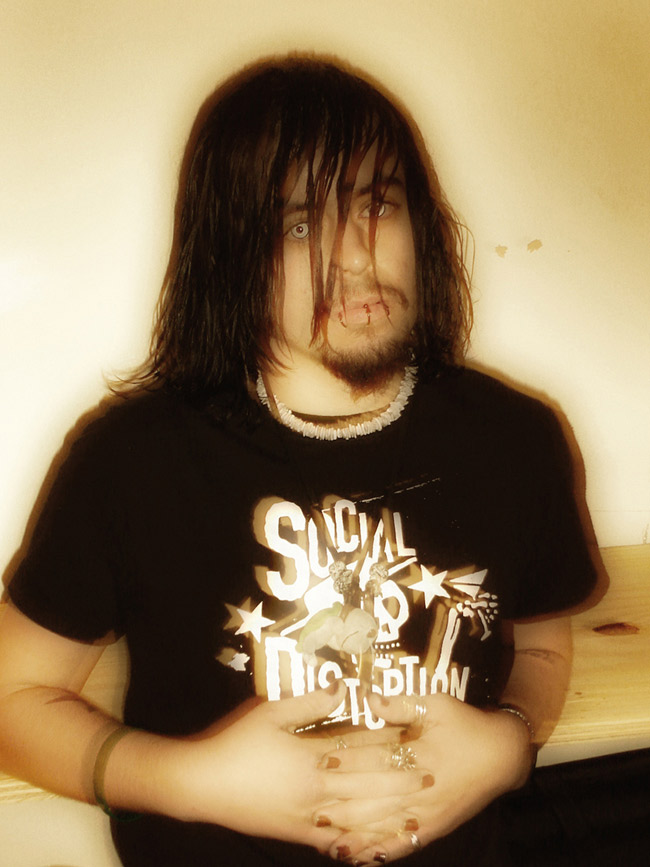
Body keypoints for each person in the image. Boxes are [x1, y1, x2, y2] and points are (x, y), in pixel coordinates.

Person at [0, 57, 597, 866]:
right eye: (298, 225)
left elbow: (543, 646)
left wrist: (507, 746)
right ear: (230, 255)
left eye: (378, 204)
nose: (356, 258)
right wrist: (189, 780)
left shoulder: (517, 438)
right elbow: (11, 698)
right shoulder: (132, 459)